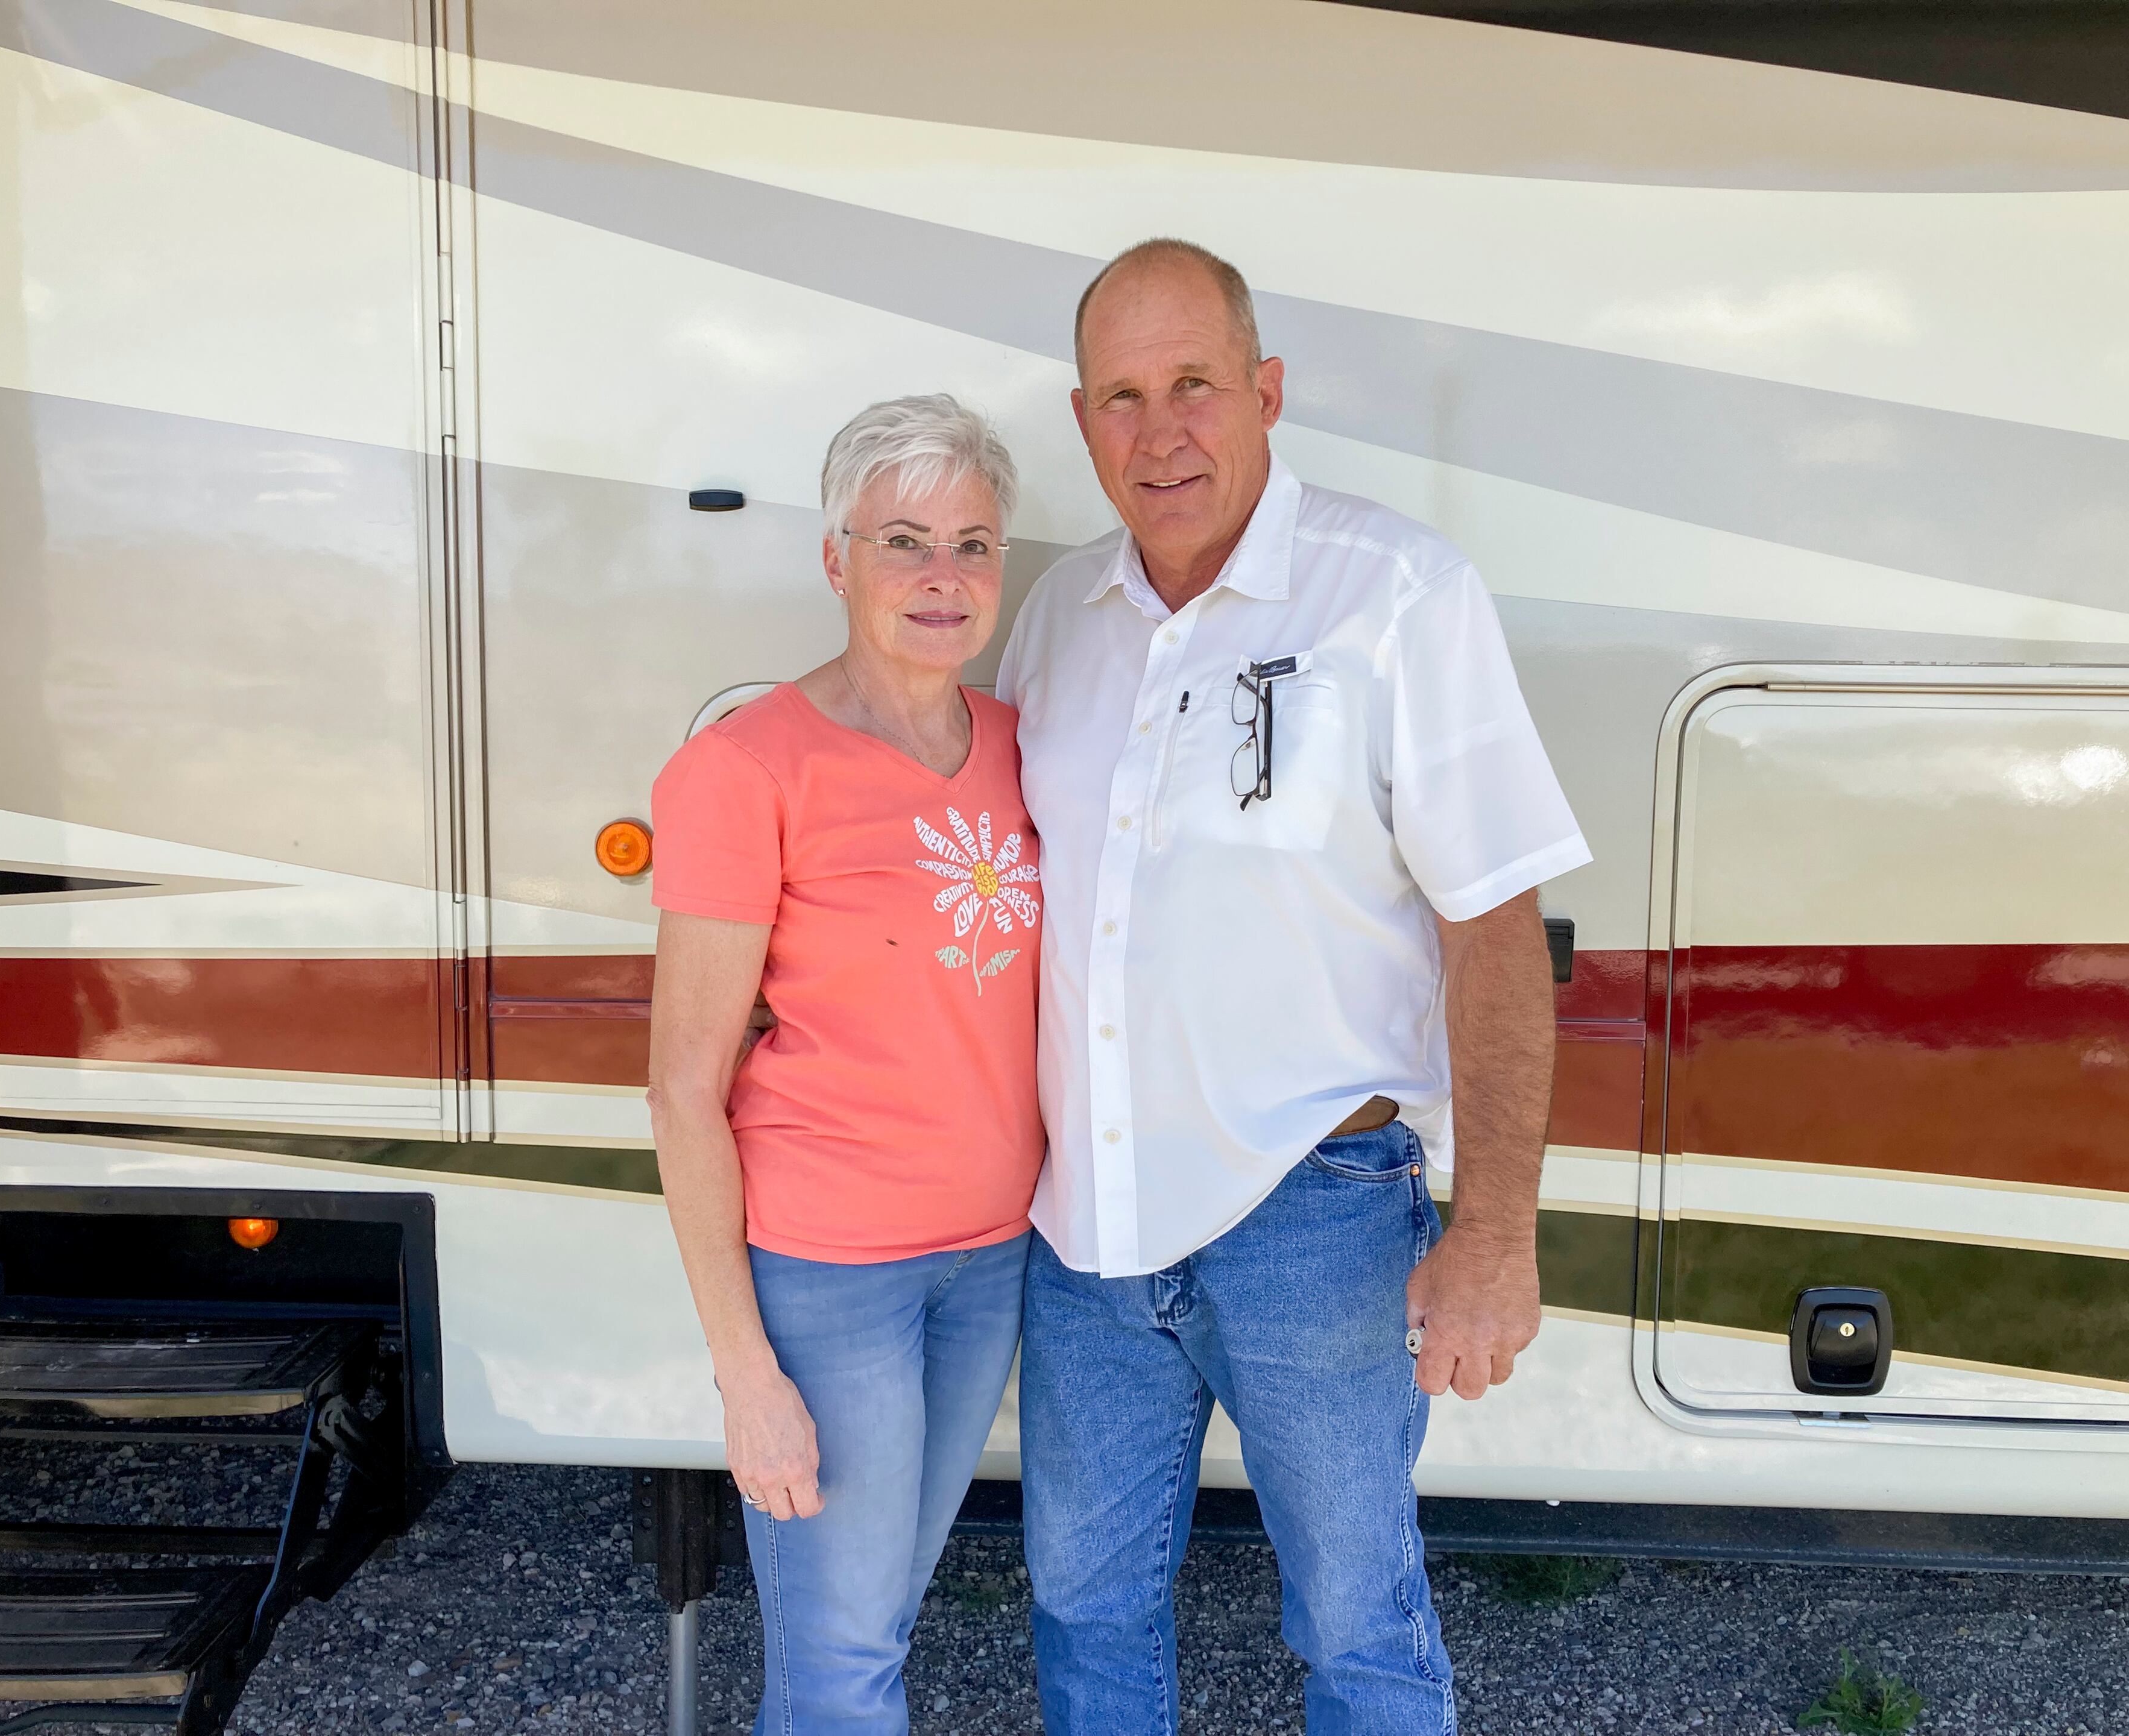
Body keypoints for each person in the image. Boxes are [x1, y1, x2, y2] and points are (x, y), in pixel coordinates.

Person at [997, 239, 1590, 1734]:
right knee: (1082, 1608)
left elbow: (1495, 935)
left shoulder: (1394, 595)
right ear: (1084, 423)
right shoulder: (1058, 614)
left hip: (1317, 1213)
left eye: (1196, 383)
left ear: (1267, 392)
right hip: (1088, 1233)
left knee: (1357, 1621)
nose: (1162, 430)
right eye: (1123, 396)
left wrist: (1494, 1233)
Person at [647, 394, 1042, 1734]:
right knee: (846, 1665)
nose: (946, 579)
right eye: (905, 542)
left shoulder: (1015, 745)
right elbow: (683, 1090)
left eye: (976, 545)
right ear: (837, 560)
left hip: (991, 1260)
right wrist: (746, 1377)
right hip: (833, 1280)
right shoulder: (746, 769)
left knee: (874, 1624)